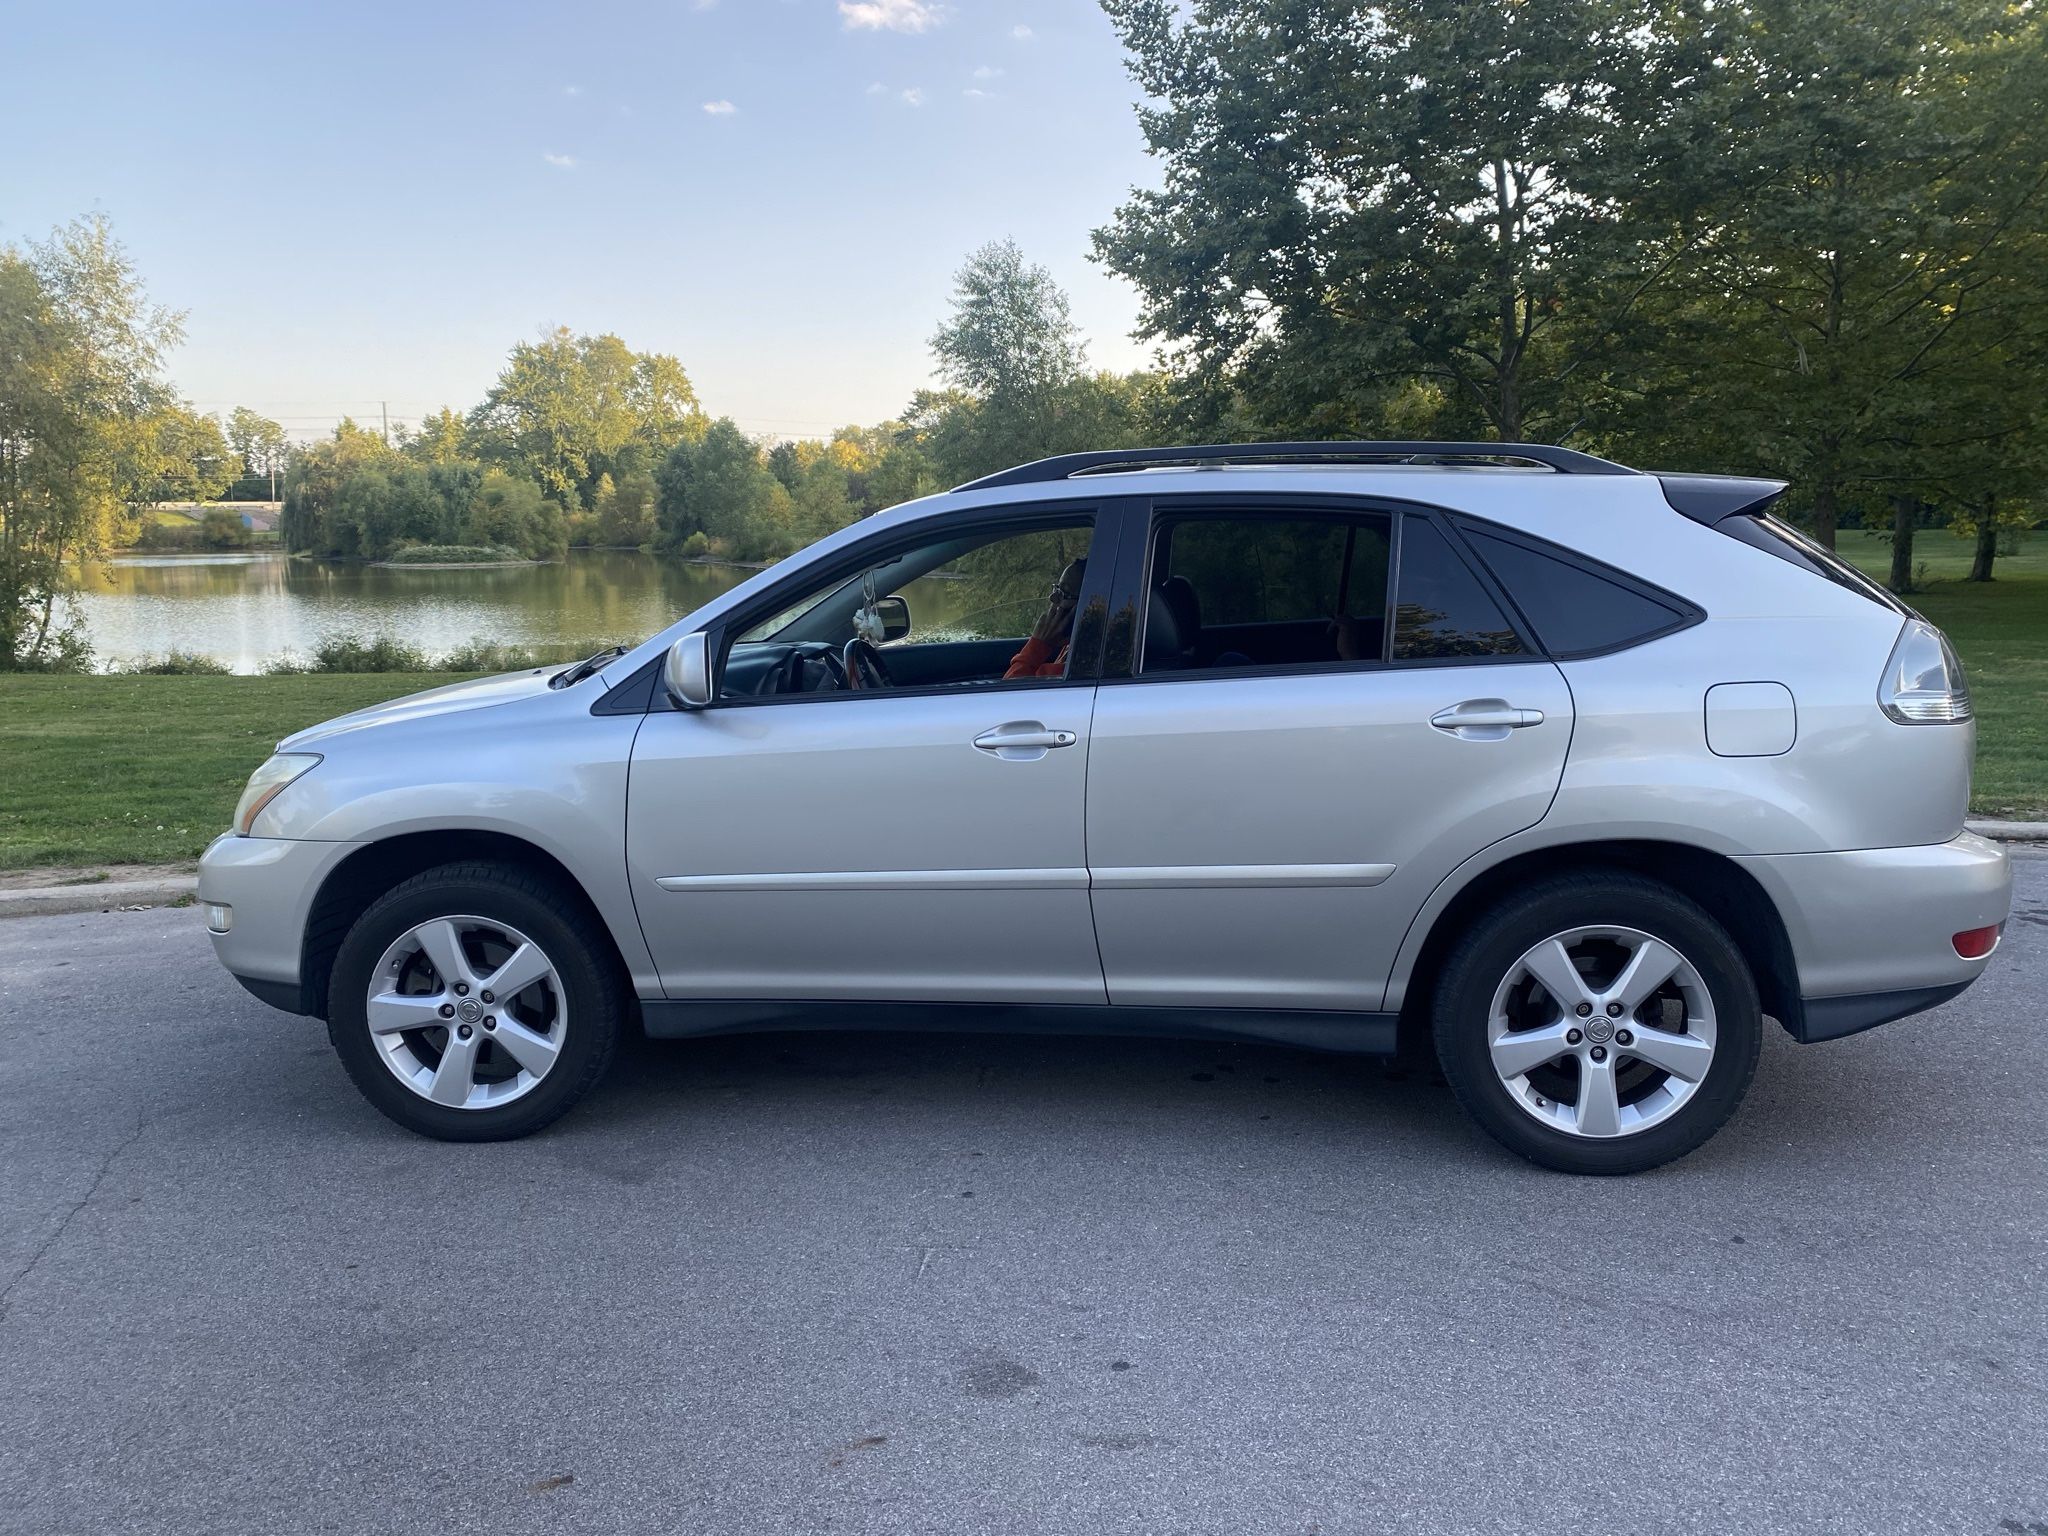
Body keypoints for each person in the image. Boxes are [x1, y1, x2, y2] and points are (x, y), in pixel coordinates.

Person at [1004, 557, 1086, 680]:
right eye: (1057, 589)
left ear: (1087, 604)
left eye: (1065, 593)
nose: (1052, 598)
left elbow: (1009, 693)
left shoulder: (1077, 664)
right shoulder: (1071, 643)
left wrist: (1038, 646)